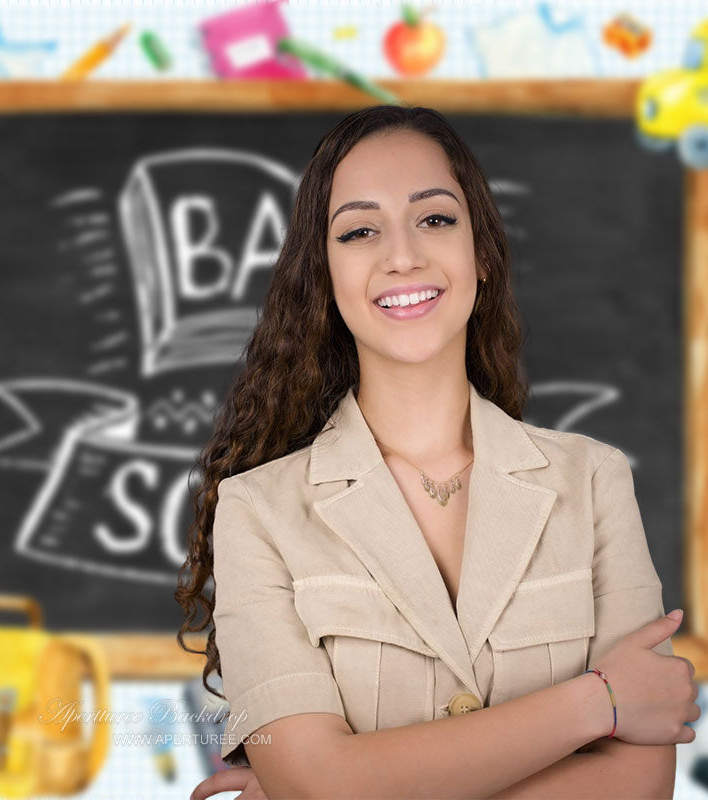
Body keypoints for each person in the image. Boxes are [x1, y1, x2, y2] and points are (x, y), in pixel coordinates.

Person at [176, 104, 699, 800]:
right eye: (360, 231)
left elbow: (638, 788)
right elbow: (318, 783)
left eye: (435, 218)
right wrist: (598, 703)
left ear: (479, 250)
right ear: (324, 276)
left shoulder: (594, 482)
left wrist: (346, 786)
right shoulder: (257, 512)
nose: (402, 256)